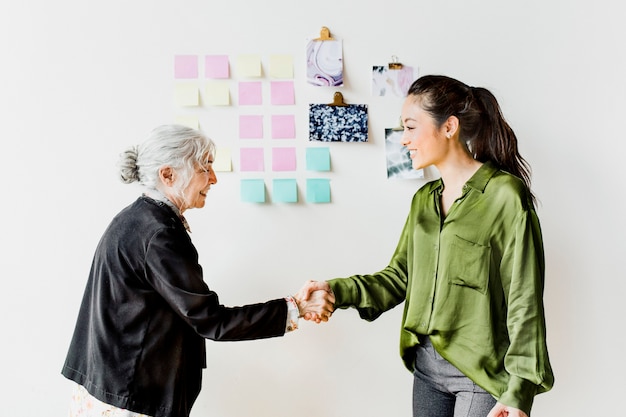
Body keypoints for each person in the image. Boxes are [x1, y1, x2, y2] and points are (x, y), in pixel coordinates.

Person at [301, 75, 554, 417]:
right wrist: (335, 291)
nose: (403, 140)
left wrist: (519, 391)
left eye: (410, 127)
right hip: (426, 369)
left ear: (448, 127)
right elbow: (398, 277)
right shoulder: (424, 200)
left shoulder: (504, 196)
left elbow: (524, 298)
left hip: (481, 375)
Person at [61, 124, 334, 417]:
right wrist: (296, 308)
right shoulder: (159, 234)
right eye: (205, 167)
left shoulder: (136, 218)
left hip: (108, 388)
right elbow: (210, 320)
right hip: (128, 399)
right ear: (168, 175)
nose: (214, 179)